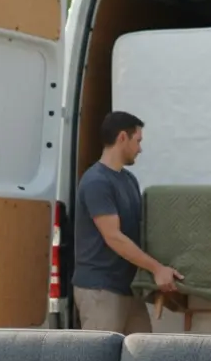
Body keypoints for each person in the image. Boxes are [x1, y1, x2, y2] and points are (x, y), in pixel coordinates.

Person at [72, 111, 183, 334]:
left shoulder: (128, 180)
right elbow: (113, 237)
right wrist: (157, 268)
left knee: (142, 355)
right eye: (138, 141)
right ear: (122, 137)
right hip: (101, 289)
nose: (140, 149)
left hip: (128, 288)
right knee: (100, 360)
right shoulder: (97, 182)